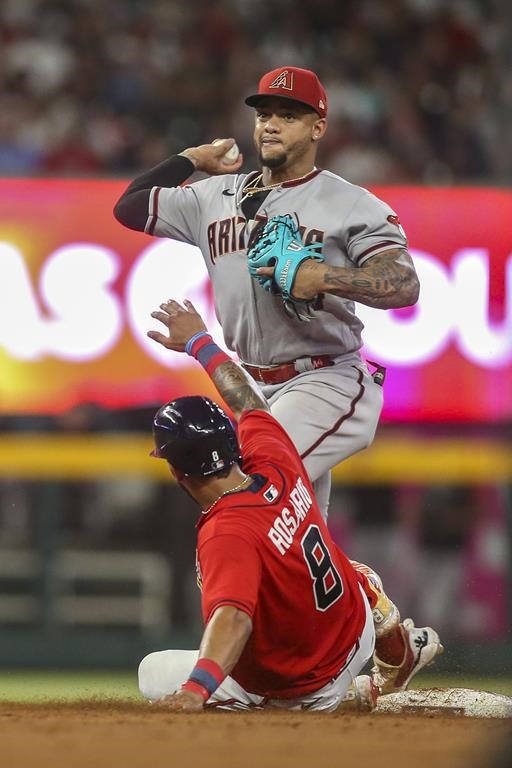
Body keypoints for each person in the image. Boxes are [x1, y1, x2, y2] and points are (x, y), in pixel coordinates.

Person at [114, 66, 420, 520]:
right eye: (264, 115)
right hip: (254, 383)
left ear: (317, 128)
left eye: (288, 115)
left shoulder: (351, 203)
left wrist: (325, 276)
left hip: (325, 380)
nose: (271, 125)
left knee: (246, 491)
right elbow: (129, 206)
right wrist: (193, 158)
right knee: (292, 534)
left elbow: (404, 283)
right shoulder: (214, 196)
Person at [136, 299, 441, 713]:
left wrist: (196, 689)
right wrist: (200, 342)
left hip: (301, 688)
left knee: (152, 672)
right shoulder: (274, 454)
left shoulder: (226, 531)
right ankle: (386, 647)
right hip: (355, 634)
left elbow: (234, 618)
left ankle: (337, 698)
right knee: (339, 571)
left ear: (176, 471)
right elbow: (246, 399)